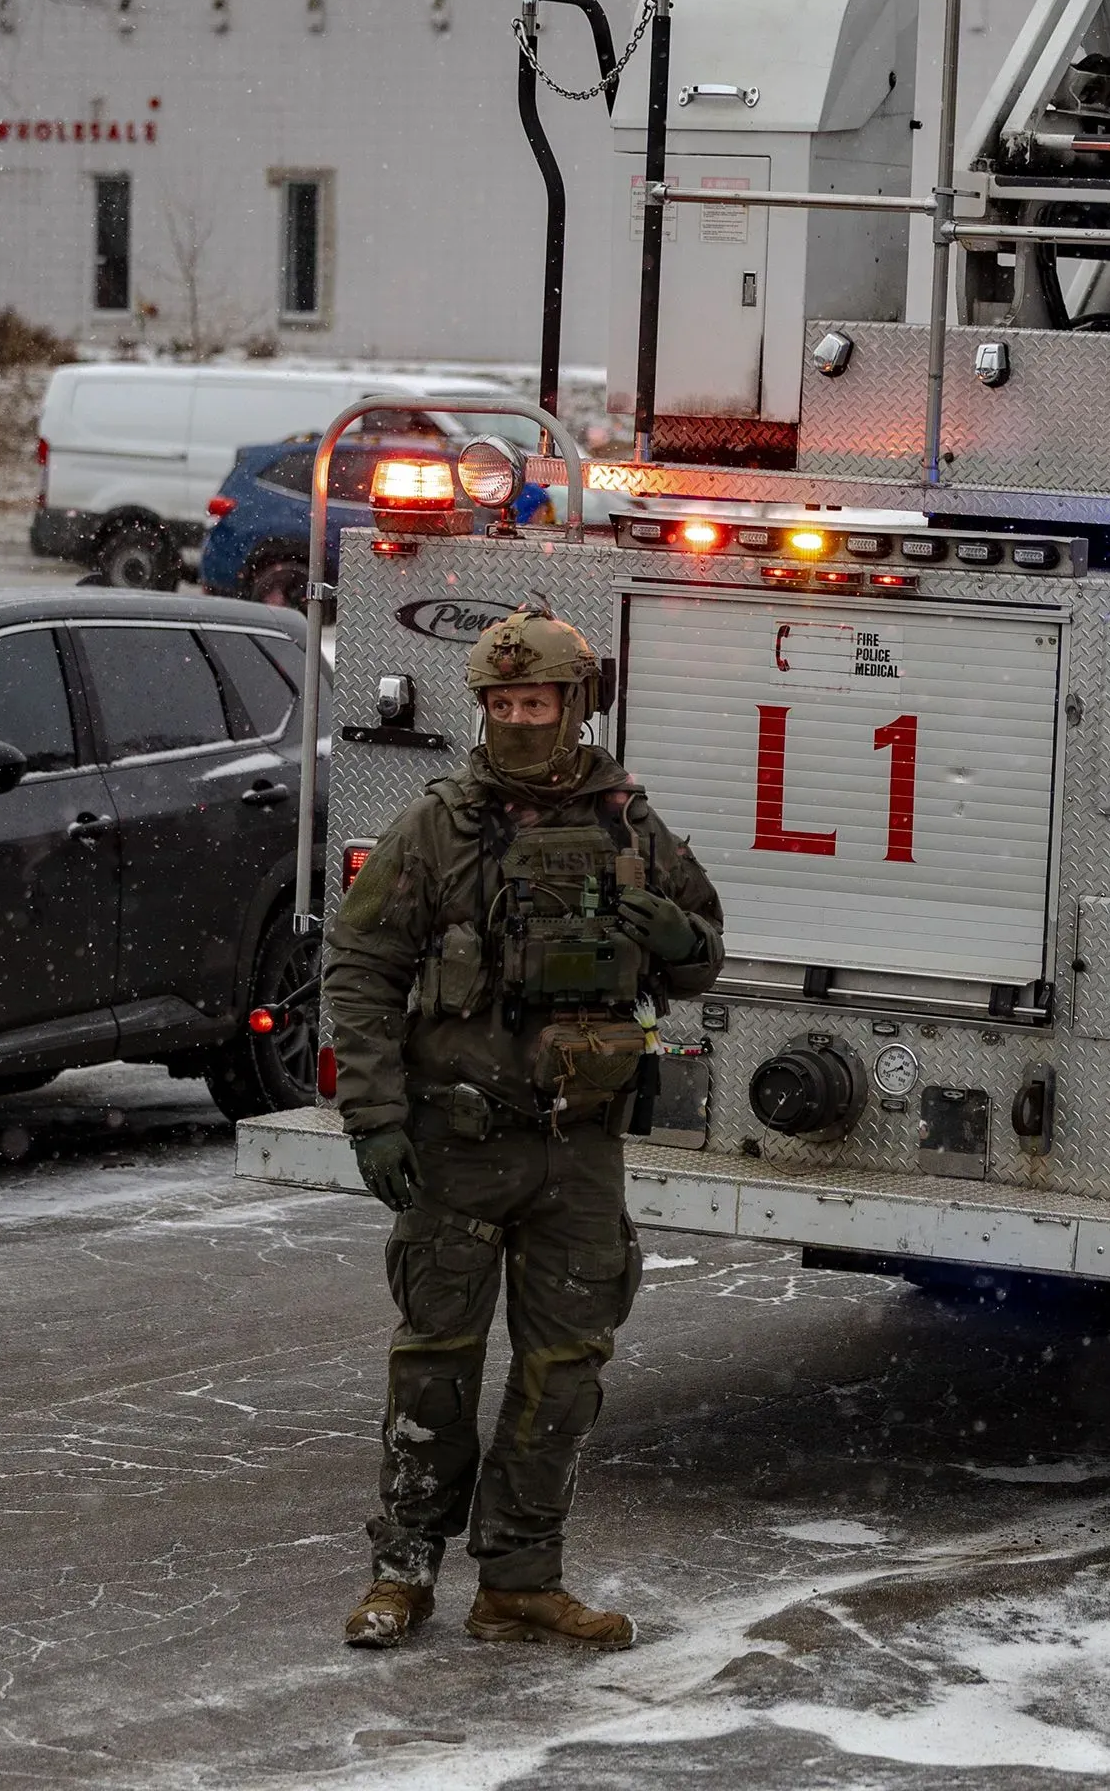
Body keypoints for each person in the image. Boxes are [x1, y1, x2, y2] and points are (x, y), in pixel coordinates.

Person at [324, 608, 723, 1651]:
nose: (517, 721)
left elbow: (700, 953)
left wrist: (678, 936)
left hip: (579, 1149)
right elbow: (362, 971)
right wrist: (372, 1116)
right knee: (435, 1364)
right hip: (457, 1142)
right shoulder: (438, 827)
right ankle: (401, 1570)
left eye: (535, 702)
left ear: (573, 705)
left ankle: (520, 1579)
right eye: (500, 704)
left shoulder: (630, 821)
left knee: (565, 1371)